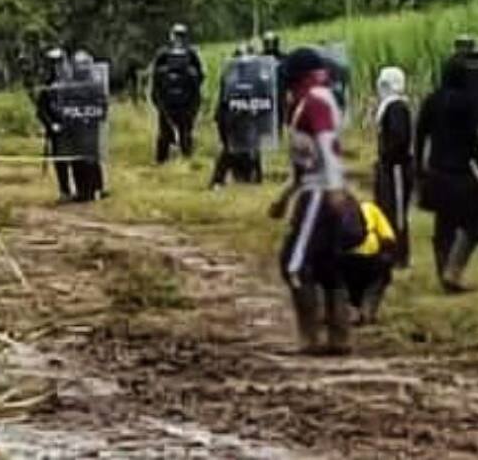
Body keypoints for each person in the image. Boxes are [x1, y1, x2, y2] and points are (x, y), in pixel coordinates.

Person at [269, 48, 364, 355]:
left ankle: (310, 336)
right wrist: (285, 196)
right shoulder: (309, 102)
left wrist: (335, 188)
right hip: (315, 188)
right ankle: (339, 337)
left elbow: (326, 145)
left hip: (319, 193)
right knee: (327, 264)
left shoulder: (314, 100)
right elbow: (305, 162)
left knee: (294, 265)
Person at [415, 57, 478, 293]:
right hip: (461, 174)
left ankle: (443, 273)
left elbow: (420, 135)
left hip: (437, 172)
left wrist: (419, 168)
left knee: (444, 226)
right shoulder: (466, 103)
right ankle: (453, 269)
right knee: (476, 226)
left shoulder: (431, 101)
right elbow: (473, 144)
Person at [54, 50, 109, 203]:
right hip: (74, 128)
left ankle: (96, 189)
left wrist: (95, 115)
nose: (82, 68)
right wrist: (69, 116)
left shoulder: (96, 84)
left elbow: (103, 104)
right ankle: (82, 192)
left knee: (91, 159)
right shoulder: (67, 85)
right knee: (77, 161)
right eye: (79, 64)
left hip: (90, 127)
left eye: (85, 64)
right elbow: (62, 106)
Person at [374, 67, 414, 268]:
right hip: (389, 166)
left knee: (396, 210)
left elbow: (399, 139)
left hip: (396, 168)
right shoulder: (389, 106)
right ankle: (389, 251)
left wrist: (387, 156)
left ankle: (399, 254)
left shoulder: (397, 107)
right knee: (386, 209)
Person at [151, 23, 205, 164]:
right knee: (184, 131)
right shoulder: (191, 54)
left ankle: (162, 160)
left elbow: (155, 79)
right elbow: (200, 77)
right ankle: (185, 159)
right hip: (184, 102)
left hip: (169, 102)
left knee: (166, 132)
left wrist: (157, 100)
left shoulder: (163, 53)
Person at [212, 46, 266, 188]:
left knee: (249, 146)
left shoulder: (247, 75)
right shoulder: (233, 76)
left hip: (241, 116)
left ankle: (250, 177)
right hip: (230, 116)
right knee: (231, 148)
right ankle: (218, 180)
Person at [340, 200, 398, 325]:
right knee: (381, 276)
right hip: (370, 260)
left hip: (343, 261)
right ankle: (368, 309)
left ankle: (350, 308)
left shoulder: (331, 209)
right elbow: (389, 236)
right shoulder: (370, 207)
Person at [36, 47, 73, 201]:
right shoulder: (47, 86)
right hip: (57, 129)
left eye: (60, 62)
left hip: (74, 127)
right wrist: (51, 125)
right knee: (61, 162)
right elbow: (41, 111)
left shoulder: (72, 83)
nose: (58, 67)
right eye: (54, 64)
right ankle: (65, 191)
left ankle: (85, 190)